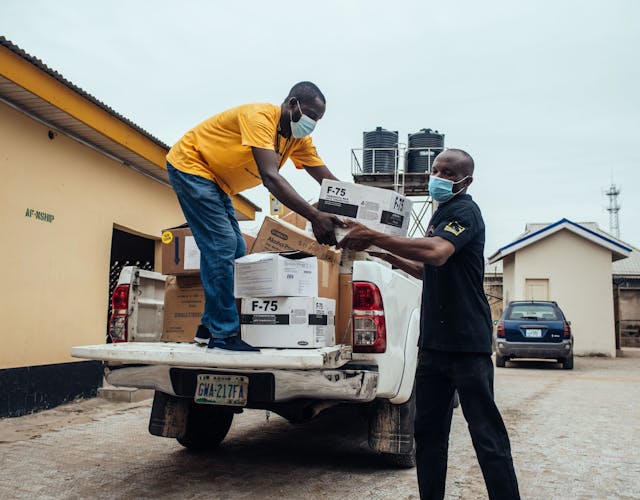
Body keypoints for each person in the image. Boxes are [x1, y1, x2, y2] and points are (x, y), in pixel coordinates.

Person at [338, 149, 520, 499]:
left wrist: (375, 237)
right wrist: (388, 255)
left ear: (465, 180)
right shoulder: (440, 215)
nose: (436, 176)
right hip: (434, 346)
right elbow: (427, 270)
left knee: (486, 434)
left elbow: (437, 253)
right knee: (429, 434)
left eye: (447, 172)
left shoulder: (465, 211)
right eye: (435, 169)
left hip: (467, 345)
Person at [166, 81, 341, 352]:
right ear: (292, 103)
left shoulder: (298, 140)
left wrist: (355, 208)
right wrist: (316, 217)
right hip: (192, 165)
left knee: (235, 247)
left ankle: (207, 327)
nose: (312, 122)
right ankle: (223, 335)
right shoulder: (260, 118)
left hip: (218, 182)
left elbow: (327, 180)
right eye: (310, 114)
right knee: (222, 245)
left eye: (318, 119)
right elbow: (271, 178)